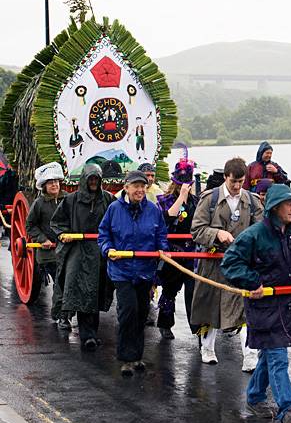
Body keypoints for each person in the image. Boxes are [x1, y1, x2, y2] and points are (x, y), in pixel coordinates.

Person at [221, 184, 291, 423]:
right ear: (276, 207)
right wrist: (252, 281)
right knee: (278, 356)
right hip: (264, 306)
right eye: (289, 203)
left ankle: (255, 396)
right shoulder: (254, 235)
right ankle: (288, 409)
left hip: (290, 306)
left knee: (270, 354)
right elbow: (230, 264)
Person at [190, 157, 263, 369]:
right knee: (210, 307)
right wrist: (217, 233)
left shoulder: (252, 200)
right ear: (225, 178)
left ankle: (250, 355)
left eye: (241, 181)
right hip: (213, 263)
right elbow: (196, 230)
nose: (237, 186)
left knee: (245, 308)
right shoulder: (209, 199)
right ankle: (207, 348)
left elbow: (262, 229)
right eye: (233, 182)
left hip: (242, 264)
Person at [98, 170, 169, 376]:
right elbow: (103, 235)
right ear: (126, 188)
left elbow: (161, 234)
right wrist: (108, 249)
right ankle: (126, 358)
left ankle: (137, 356)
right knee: (127, 311)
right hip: (122, 270)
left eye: (143, 186)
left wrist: (162, 249)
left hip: (145, 271)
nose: (140, 190)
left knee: (141, 313)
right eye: (135, 186)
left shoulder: (153, 210)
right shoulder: (114, 209)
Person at [50, 164, 115, 350]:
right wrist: (63, 234)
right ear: (85, 180)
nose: (94, 182)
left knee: (96, 293)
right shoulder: (71, 200)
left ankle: (92, 332)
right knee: (81, 292)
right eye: (91, 179)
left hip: (100, 253)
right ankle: (87, 335)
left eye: (96, 179)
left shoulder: (108, 199)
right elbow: (57, 222)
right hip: (78, 252)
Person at [156, 155, 198, 339]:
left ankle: (197, 328)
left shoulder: (196, 201)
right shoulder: (165, 200)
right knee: (170, 290)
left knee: (193, 291)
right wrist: (181, 197)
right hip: (173, 251)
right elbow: (167, 218)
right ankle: (165, 324)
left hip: (192, 253)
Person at [26, 162, 69, 328]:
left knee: (67, 281)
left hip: (67, 249)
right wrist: (42, 239)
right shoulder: (39, 203)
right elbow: (30, 225)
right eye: (51, 182)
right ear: (44, 186)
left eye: (57, 181)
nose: (55, 185)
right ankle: (61, 316)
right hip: (48, 253)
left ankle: (64, 314)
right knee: (61, 282)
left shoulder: (68, 200)